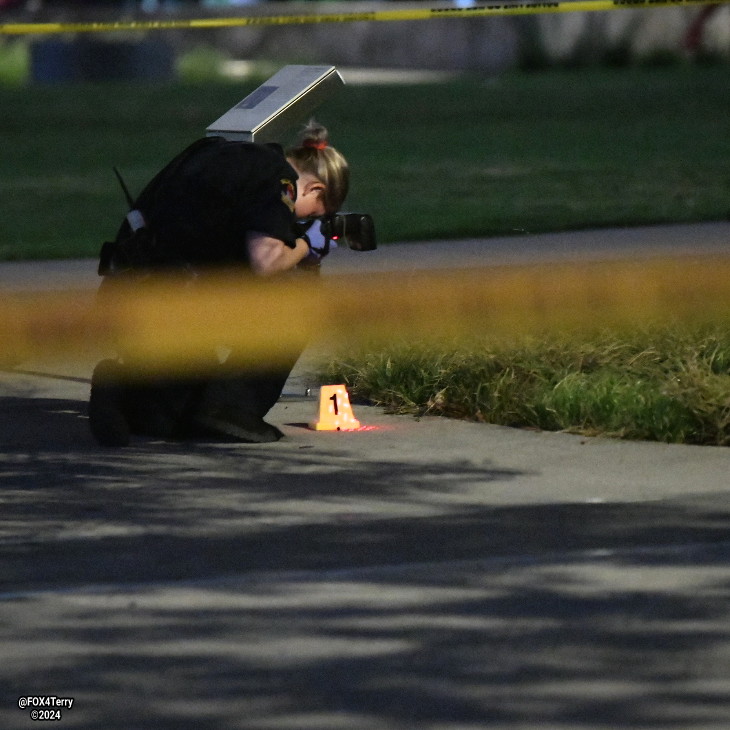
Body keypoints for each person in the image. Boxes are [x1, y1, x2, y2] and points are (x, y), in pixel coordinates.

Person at [89, 119, 349, 447]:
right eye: (311, 215)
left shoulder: (215, 153)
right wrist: (306, 246)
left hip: (129, 300)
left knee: (170, 422)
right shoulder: (279, 179)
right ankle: (233, 410)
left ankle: (124, 389)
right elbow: (266, 262)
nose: (298, 222)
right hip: (178, 304)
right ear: (315, 190)